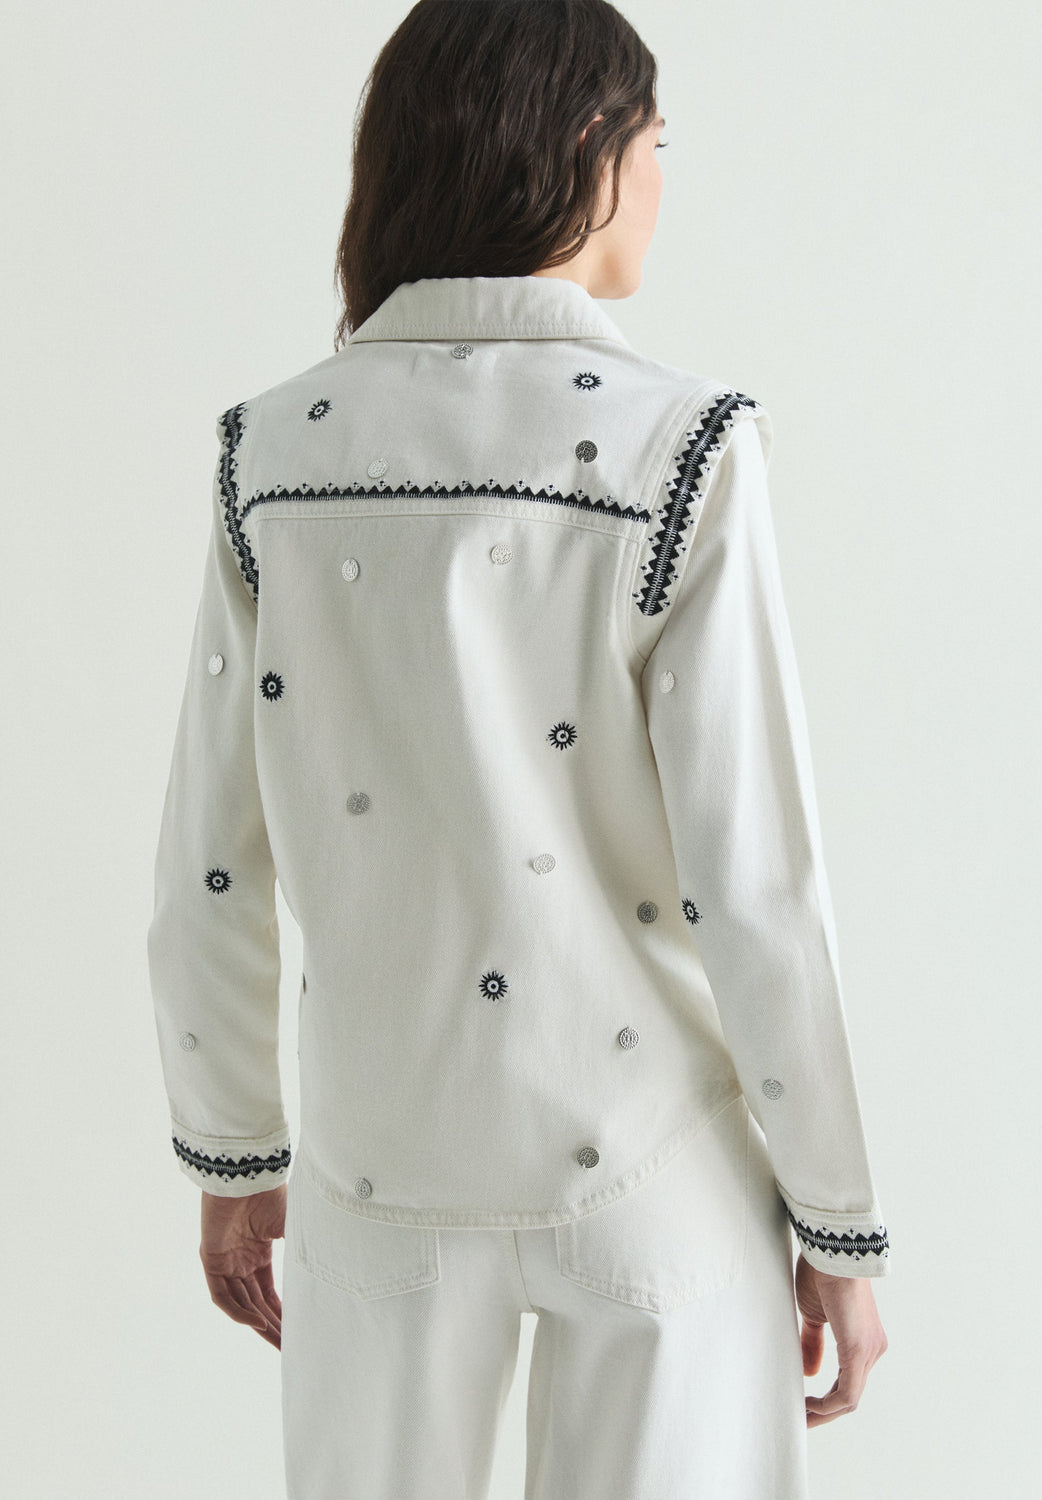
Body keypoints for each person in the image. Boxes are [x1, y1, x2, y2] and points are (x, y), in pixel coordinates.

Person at [146, 2, 890, 1495]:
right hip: (653, 1166)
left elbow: (211, 855)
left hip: (374, 1163)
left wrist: (235, 1155)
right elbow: (754, 881)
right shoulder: (683, 447)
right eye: (657, 141)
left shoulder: (273, 450)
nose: (663, 179)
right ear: (584, 145)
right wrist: (839, 1225)